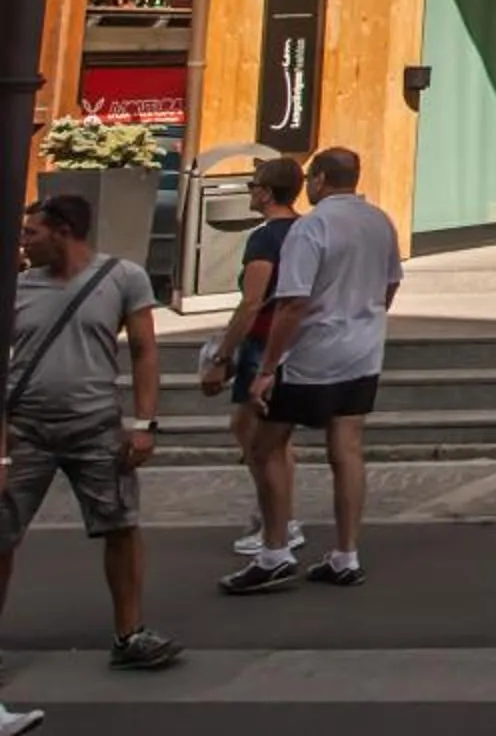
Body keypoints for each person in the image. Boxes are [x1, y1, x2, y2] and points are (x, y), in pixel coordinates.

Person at [0, 193, 180, 672]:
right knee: (1, 533)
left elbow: (144, 351)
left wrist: (144, 424)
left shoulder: (123, 278)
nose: (24, 242)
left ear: (63, 232)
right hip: (26, 430)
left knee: (120, 527)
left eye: (32, 233)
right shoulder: (17, 287)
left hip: (96, 426)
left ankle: (130, 634)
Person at [224, 147, 401, 595]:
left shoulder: (312, 226)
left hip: (311, 352)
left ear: (320, 179)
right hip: (362, 350)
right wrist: (368, 316)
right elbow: (391, 281)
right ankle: (346, 554)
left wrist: (267, 368)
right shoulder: (380, 221)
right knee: (347, 447)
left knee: (266, 445)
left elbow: (292, 303)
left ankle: (275, 549)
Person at [199, 158, 307, 558]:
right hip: (298, 340)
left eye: (252, 185)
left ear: (265, 192)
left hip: (263, 341)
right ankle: (279, 518)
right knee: (270, 435)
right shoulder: (307, 229)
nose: (249, 191)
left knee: (255, 435)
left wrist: (223, 354)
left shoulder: (264, 239)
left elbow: (252, 302)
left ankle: (278, 523)